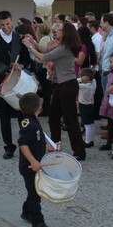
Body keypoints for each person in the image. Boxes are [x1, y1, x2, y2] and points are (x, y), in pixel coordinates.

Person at [23, 22, 86, 161]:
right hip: (60, 85)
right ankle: (54, 146)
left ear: (67, 33)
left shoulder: (65, 47)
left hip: (67, 85)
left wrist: (29, 47)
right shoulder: (61, 45)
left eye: (61, 30)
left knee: (70, 120)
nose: (57, 30)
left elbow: (43, 58)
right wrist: (33, 42)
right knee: (53, 118)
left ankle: (79, 151)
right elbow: (46, 50)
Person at [0, 11, 31, 159]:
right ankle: (9, 147)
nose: (5, 27)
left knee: (21, 114)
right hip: (0, 82)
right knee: (4, 117)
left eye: (8, 24)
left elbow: (27, 59)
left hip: (17, 81)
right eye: (2, 24)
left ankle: (24, 145)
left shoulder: (19, 38)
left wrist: (21, 65)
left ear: (12, 22)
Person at [17, 92, 54, 227]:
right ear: (38, 107)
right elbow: (23, 144)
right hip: (29, 167)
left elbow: (35, 142)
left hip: (35, 164)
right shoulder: (29, 124)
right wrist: (33, 161)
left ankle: (26, 212)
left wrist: (47, 147)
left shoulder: (33, 121)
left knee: (34, 191)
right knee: (35, 193)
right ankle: (38, 224)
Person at [98, 52, 113, 152]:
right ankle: (109, 142)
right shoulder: (111, 73)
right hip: (109, 100)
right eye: (111, 62)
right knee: (110, 123)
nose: (112, 64)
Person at [78, 67, 96, 148]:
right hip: (90, 105)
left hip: (84, 106)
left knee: (87, 125)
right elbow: (93, 79)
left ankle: (87, 141)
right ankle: (91, 140)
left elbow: (74, 82)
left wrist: (81, 79)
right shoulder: (93, 83)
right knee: (91, 123)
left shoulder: (84, 86)